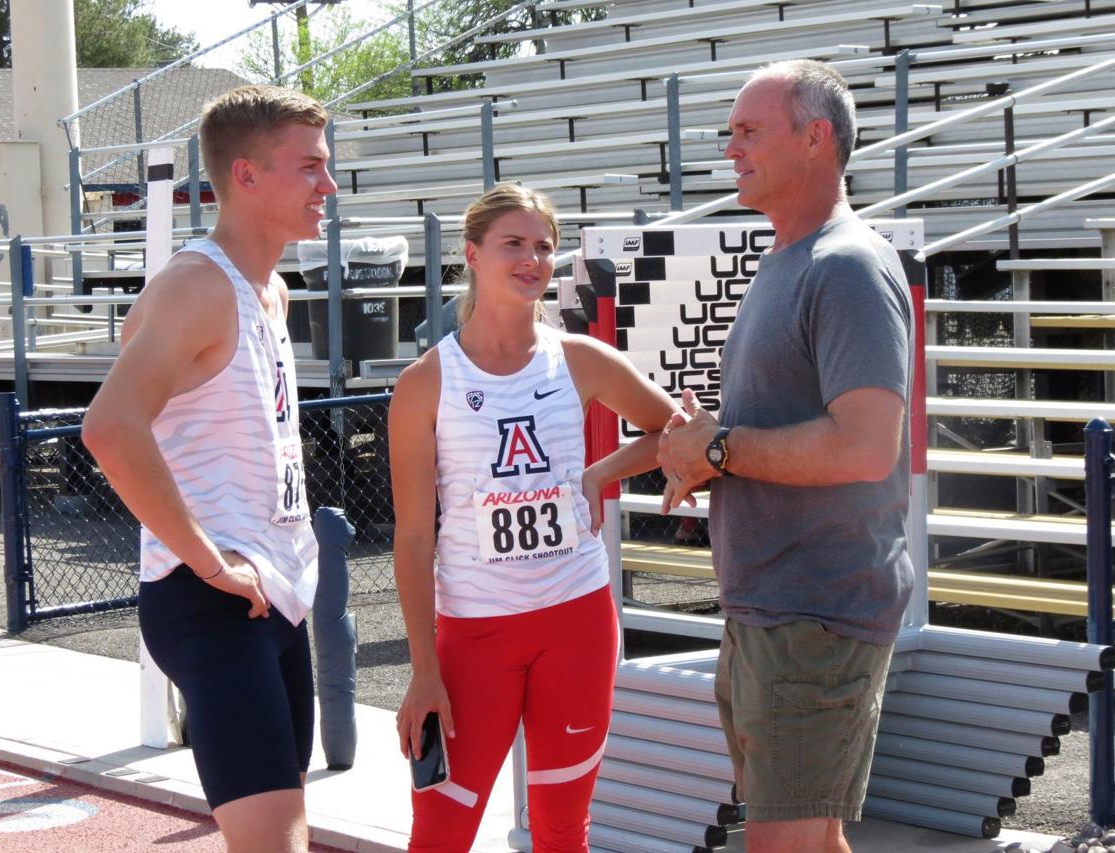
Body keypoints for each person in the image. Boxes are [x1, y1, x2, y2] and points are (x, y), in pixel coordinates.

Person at [657, 60, 914, 853]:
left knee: (783, 844)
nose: (729, 147)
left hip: (814, 615)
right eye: (728, 132)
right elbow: (777, 428)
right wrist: (706, 454)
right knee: (812, 838)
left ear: (815, 137)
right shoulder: (789, 261)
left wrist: (723, 449)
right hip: (775, 608)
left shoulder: (847, 266)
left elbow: (867, 446)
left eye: (748, 130)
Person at [82, 84, 337, 853]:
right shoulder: (197, 285)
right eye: (311, 168)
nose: (329, 186)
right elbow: (109, 428)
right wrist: (209, 559)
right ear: (247, 176)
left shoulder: (274, 290)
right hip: (213, 599)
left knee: (279, 834)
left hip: (276, 599)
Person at [389, 183, 678, 853]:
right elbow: (411, 536)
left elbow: (677, 429)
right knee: (439, 833)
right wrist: (422, 667)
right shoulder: (425, 382)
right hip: (474, 634)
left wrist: (600, 474)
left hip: (575, 620)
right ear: (473, 254)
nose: (531, 260)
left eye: (544, 247)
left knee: (560, 832)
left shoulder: (578, 359)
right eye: (513, 244)